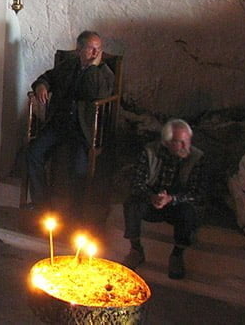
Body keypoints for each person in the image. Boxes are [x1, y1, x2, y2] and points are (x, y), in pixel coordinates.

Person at [25, 30, 115, 212]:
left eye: (99, 49)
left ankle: (75, 213)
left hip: (82, 130)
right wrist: (42, 86)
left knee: (78, 168)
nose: (96, 53)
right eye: (91, 49)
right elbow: (47, 77)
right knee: (33, 153)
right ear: (79, 49)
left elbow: (98, 93)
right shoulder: (69, 66)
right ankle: (42, 205)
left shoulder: (103, 72)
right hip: (59, 124)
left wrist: (92, 68)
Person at [123, 119, 207, 280]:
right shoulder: (149, 152)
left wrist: (172, 199)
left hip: (176, 205)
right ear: (166, 142)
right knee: (132, 204)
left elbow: (198, 193)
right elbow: (137, 183)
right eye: (179, 142)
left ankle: (177, 255)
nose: (185, 147)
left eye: (187, 141)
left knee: (188, 212)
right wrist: (151, 196)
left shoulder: (196, 158)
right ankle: (135, 249)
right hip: (152, 201)